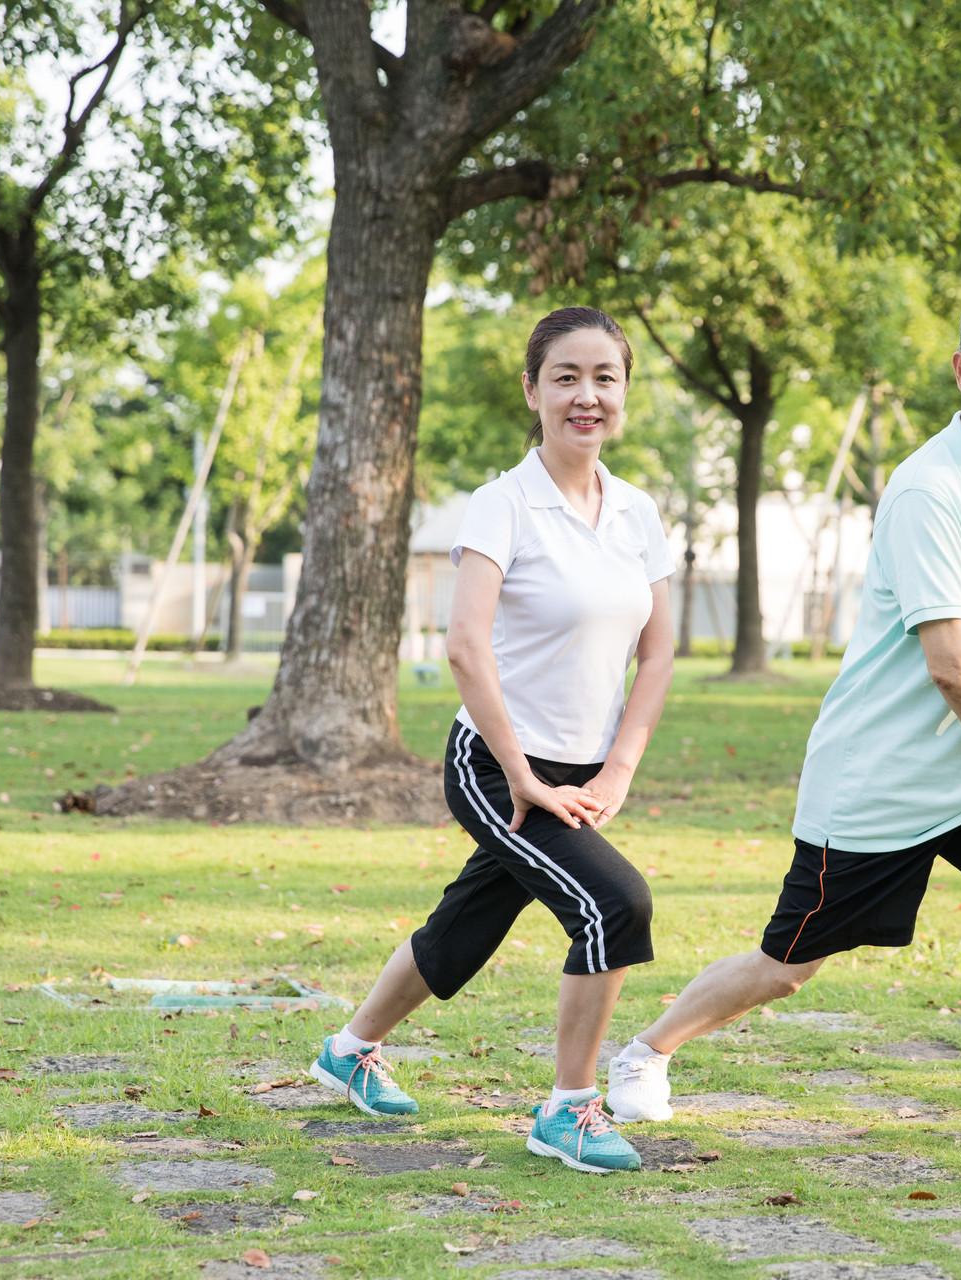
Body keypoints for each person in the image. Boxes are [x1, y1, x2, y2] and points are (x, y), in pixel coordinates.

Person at [605, 281, 961, 1146]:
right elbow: (952, 667)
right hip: (884, 783)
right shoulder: (928, 490)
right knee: (786, 967)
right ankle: (646, 1053)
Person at [309, 306, 675, 1174]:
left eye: (604, 379)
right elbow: (466, 644)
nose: (586, 396)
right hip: (496, 765)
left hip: (584, 772)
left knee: (470, 919)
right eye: (566, 378)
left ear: (623, 391)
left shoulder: (636, 512)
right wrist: (522, 778)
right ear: (533, 390)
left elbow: (658, 650)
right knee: (614, 905)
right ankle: (569, 1109)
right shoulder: (503, 503)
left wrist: (620, 765)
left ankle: (349, 1049)